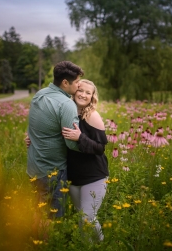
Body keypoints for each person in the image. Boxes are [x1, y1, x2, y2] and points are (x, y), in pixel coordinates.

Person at [26, 61, 83, 224]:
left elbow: (35, 125)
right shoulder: (66, 104)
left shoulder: (40, 94)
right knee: (53, 218)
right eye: (77, 82)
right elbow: (72, 144)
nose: (78, 86)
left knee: (38, 210)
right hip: (52, 170)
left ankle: (34, 243)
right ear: (65, 82)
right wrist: (91, 144)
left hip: (33, 167)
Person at [62, 79, 109, 241]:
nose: (83, 95)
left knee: (88, 217)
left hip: (94, 175)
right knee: (82, 218)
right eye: (80, 90)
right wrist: (32, 140)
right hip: (73, 176)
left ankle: (101, 243)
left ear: (92, 97)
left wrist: (80, 137)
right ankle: (86, 246)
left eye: (88, 93)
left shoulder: (92, 116)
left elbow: (100, 148)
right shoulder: (66, 113)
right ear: (74, 91)